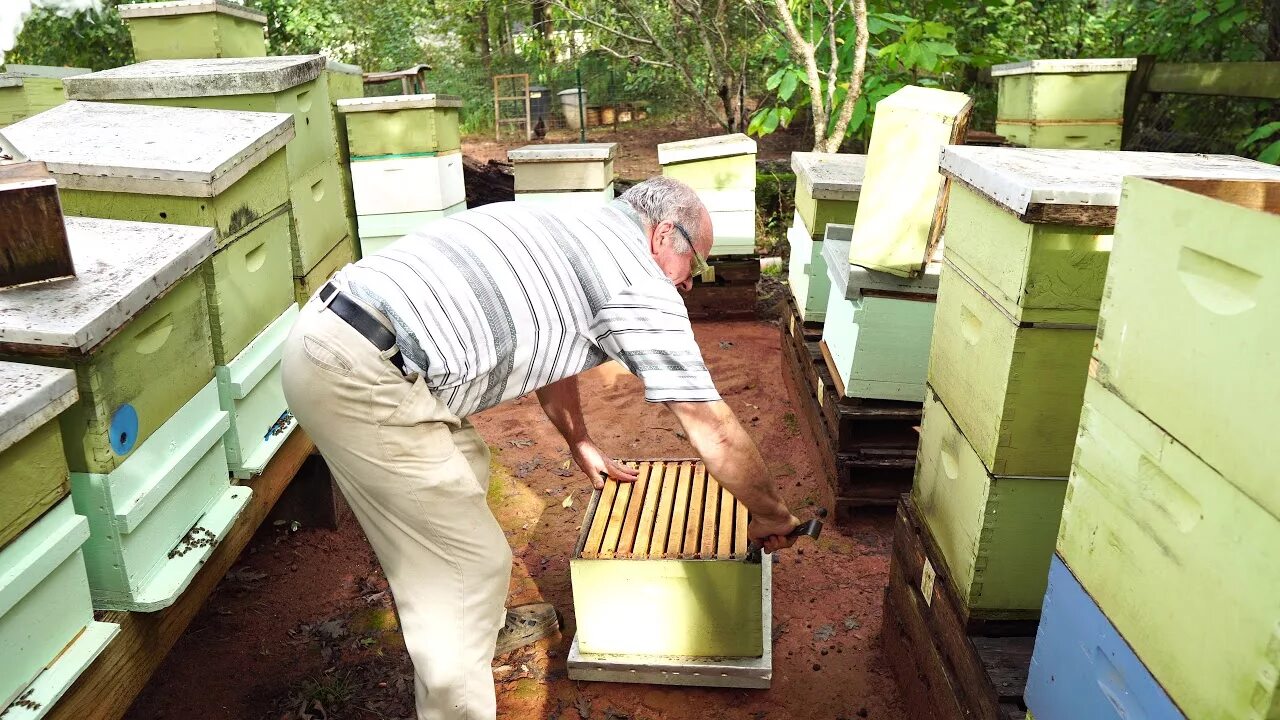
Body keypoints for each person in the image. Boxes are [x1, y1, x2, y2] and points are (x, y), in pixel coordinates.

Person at [280, 176, 801, 720]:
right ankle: (456, 684)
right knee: (467, 567)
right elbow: (712, 429)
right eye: (695, 262)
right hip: (360, 372)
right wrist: (770, 513)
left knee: (467, 464)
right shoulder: (638, 284)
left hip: (343, 336)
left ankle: (481, 628)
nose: (691, 284)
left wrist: (579, 439)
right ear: (662, 234)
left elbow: (554, 345)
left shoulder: (578, 223)